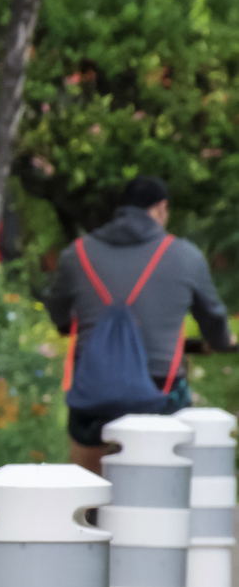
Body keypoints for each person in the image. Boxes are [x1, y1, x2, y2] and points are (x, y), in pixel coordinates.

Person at [42, 175, 235, 473]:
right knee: (164, 489)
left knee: (89, 490)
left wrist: (71, 325)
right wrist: (222, 342)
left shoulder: (76, 254)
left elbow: (58, 313)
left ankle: (90, 504)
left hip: (94, 400)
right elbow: (214, 319)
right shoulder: (186, 256)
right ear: (160, 209)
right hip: (161, 398)